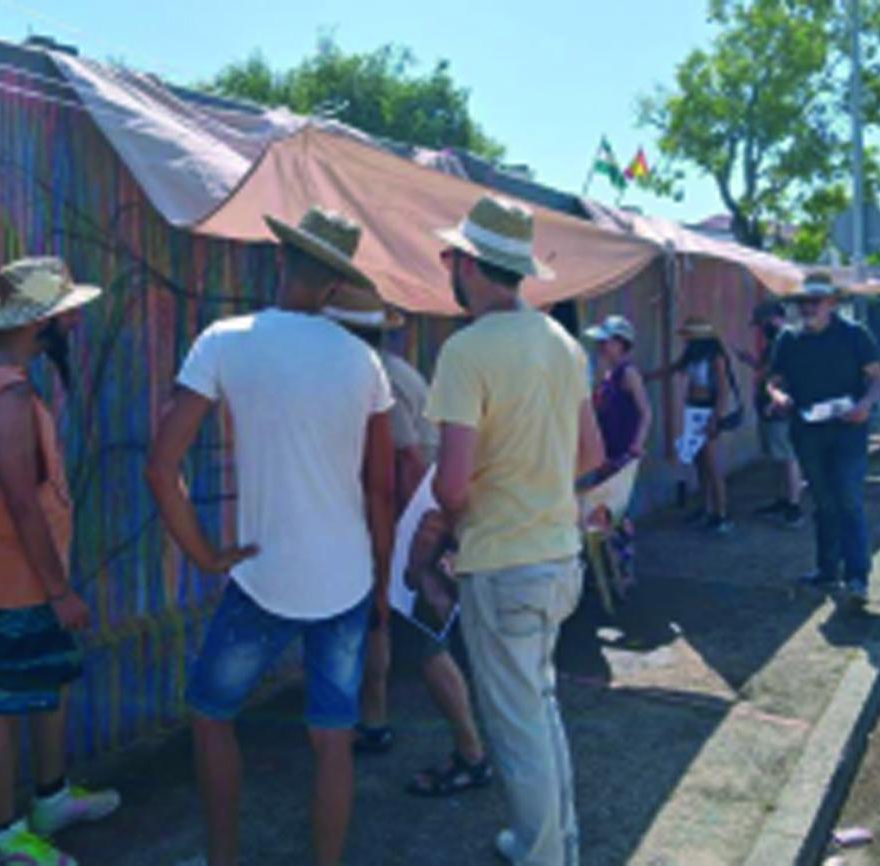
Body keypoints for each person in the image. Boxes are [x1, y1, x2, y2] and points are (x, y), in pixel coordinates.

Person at [145, 208, 395, 866]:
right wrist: (379, 582)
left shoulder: (224, 341)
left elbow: (159, 465)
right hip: (344, 580)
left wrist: (203, 554)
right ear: (338, 286)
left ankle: (222, 860)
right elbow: (380, 489)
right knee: (332, 739)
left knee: (210, 714)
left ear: (281, 261)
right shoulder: (365, 365)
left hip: (262, 576)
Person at [423, 194, 604, 865]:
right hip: (559, 554)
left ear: (470, 265)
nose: (447, 268)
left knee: (516, 723)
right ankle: (555, 840)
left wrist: (446, 523)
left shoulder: (465, 351)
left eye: (450, 257)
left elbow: (449, 485)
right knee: (539, 706)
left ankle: (543, 854)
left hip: (500, 562)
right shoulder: (561, 342)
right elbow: (589, 454)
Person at [0, 256, 120, 866]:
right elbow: (21, 502)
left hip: (21, 576)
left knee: (47, 685)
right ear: (38, 322)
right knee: (3, 702)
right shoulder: (6, 395)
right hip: (15, 582)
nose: (72, 322)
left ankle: (51, 798)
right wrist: (57, 590)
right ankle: (3, 837)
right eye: (64, 313)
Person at [322, 296, 494, 799]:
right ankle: (373, 721)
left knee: (425, 644)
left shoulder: (380, 381)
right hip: (415, 522)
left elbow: (410, 466)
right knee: (381, 623)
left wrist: (396, 547)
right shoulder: (391, 372)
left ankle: (471, 752)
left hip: (412, 526)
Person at [767, 277, 880, 606]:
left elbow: (876, 379)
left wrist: (865, 405)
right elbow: (774, 381)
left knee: (848, 498)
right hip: (807, 431)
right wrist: (779, 397)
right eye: (802, 301)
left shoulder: (855, 334)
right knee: (823, 502)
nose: (807, 307)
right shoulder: (788, 339)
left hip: (849, 429)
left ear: (831, 303)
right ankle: (827, 570)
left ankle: (857, 577)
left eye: (814, 301)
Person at [651, 317, 740, 533]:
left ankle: (721, 513)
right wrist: (646, 376)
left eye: (689, 336)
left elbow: (722, 390)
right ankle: (707, 507)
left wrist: (714, 418)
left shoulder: (714, 357)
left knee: (711, 465)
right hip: (693, 410)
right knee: (700, 463)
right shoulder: (692, 355)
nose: (685, 340)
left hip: (707, 412)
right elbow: (672, 369)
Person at [583, 314, 652, 584]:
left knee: (619, 514)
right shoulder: (608, 374)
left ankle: (624, 571)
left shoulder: (628, 373)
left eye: (606, 341)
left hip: (622, 455)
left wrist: (637, 444)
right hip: (606, 456)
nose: (600, 346)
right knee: (606, 514)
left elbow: (646, 411)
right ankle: (612, 570)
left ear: (620, 343)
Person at [738, 301, 805, 527]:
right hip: (768, 404)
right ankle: (782, 499)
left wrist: (776, 403)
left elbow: (786, 374)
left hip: (780, 407)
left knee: (787, 456)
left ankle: (794, 506)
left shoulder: (786, 339)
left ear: (775, 317)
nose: (760, 328)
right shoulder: (773, 343)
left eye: (763, 322)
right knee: (776, 457)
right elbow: (769, 370)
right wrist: (753, 363)